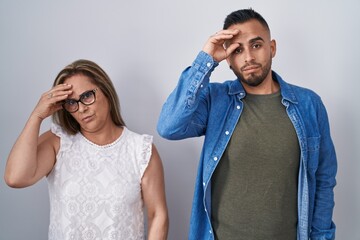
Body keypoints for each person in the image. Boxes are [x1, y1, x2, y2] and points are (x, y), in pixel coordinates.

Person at [157, 8, 337, 240]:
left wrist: (322, 237)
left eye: (256, 45)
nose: (248, 57)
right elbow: (168, 127)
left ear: (272, 48)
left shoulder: (308, 104)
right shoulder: (216, 100)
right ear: (228, 59)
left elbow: (324, 179)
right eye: (237, 50)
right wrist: (206, 60)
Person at [4, 59, 169, 240]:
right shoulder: (58, 143)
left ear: (105, 91)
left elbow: (157, 216)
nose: (81, 108)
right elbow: (15, 178)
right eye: (72, 103)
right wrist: (37, 115)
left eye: (87, 96)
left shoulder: (141, 150)